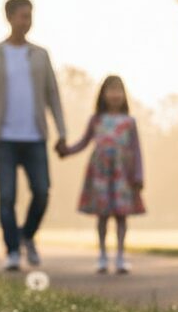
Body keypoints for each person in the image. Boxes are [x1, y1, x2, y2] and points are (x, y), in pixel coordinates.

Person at [0, 0, 68, 271]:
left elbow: (53, 94)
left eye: (31, 16)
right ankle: (12, 250)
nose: (28, 21)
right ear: (10, 17)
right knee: (7, 196)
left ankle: (27, 235)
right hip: (4, 137)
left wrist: (62, 131)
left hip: (36, 136)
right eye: (23, 16)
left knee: (42, 191)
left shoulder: (40, 55)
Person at [61, 75, 145, 274]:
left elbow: (137, 150)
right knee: (102, 216)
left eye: (119, 90)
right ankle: (102, 255)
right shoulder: (96, 119)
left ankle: (121, 256)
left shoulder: (129, 121)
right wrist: (67, 150)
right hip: (100, 172)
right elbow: (84, 142)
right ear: (103, 94)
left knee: (122, 216)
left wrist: (139, 176)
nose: (115, 95)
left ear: (125, 95)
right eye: (111, 90)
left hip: (122, 174)